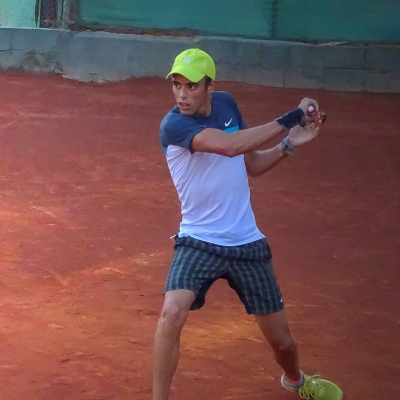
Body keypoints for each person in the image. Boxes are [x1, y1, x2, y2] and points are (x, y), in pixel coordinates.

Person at [154, 48, 343, 400]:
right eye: (177, 85)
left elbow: (250, 163)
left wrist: (288, 145)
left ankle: (296, 381)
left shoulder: (226, 105)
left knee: (283, 343)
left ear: (210, 87)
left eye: (192, 86)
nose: (182, 94)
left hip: (246, 243)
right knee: (171, 313)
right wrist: (291, 117)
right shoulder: (175, 125)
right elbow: (228, 147)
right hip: (198, 241)